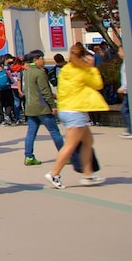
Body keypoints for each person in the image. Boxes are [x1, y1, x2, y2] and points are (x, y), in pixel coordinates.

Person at [45, 43, 109, 189]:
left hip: (66, 109)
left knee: (88, 141)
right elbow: (98, 84)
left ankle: (88, 175)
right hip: (75, 111)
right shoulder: (82, 72)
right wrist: (92, 68)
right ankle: (54, 174)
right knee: (70, 145)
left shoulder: (66, 69)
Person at [22, 50, 65, 165]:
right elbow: (45, 91)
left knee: (31, 133)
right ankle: (65, 155)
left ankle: (29, 156)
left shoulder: (27, 72)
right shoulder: (39, 73)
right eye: (42, 58)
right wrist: (53, 105)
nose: (44, 60)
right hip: (41, 107)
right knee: (54, 131)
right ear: (35, 60)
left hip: (30, 107)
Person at [117, 47, 132, 139]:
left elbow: (128, 77)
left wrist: (123, 87)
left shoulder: (127, 63)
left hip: (128, 90)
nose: (118, 53)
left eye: (119, 51)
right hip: (127, 90)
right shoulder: (124, 63)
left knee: (124, 110)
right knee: (126, 110)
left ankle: (131, 130)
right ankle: (130, 129)